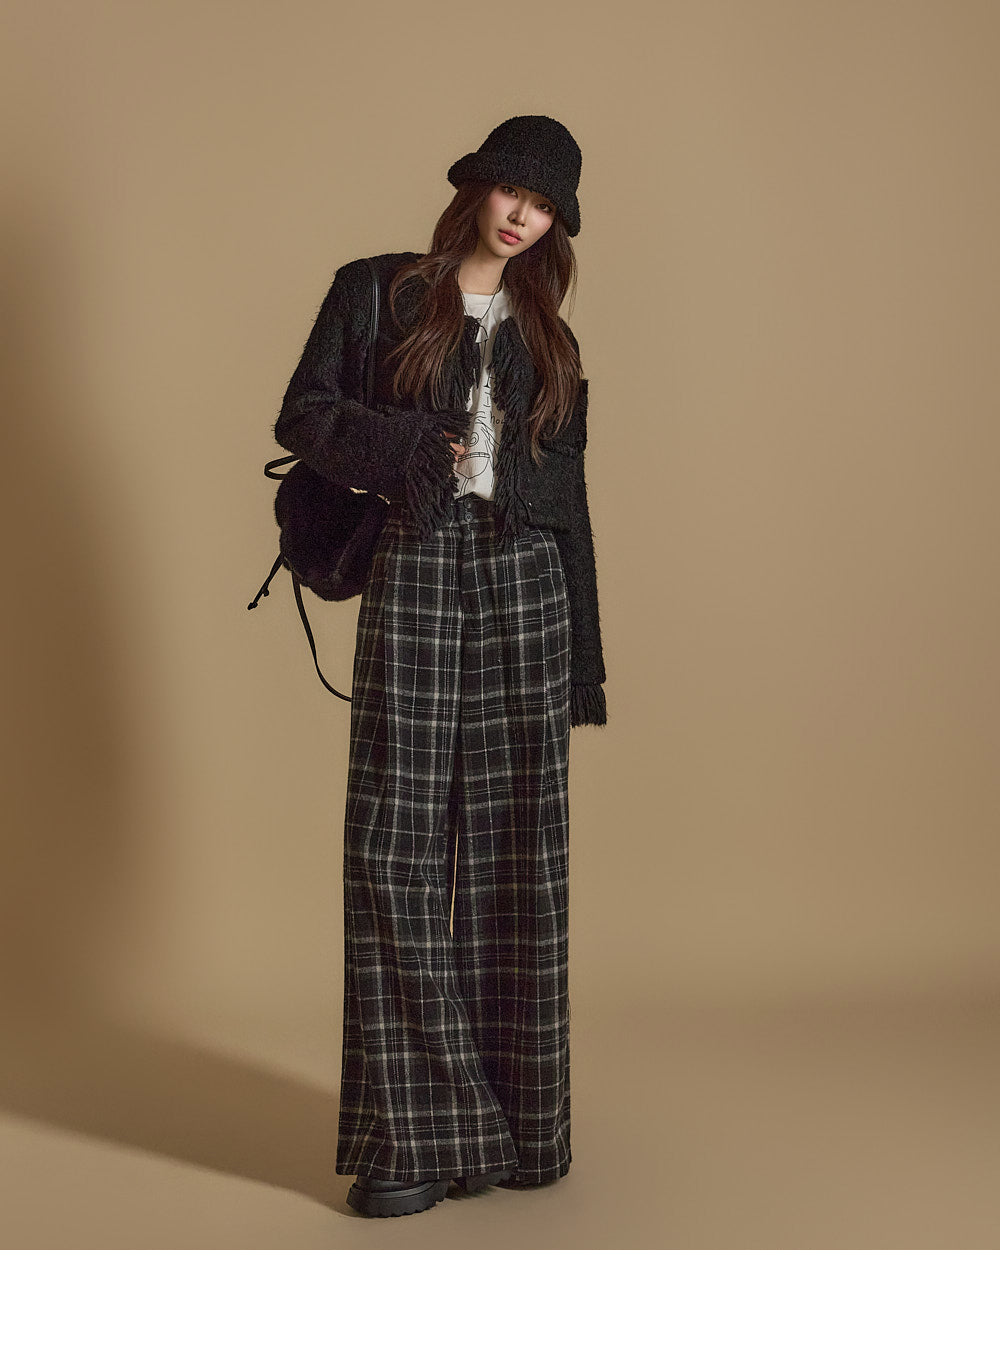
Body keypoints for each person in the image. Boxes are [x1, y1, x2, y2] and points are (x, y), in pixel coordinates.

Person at [272, 114, 607, 1218]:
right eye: (514, 192)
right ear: (477, 188)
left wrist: (584, 660)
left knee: (520, 854)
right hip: (416, 559)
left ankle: (521, 1127)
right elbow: (305, 414)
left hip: (528, 582)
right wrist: (405, 448)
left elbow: (568, 504)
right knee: (395, 844)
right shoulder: (378, 292)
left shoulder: (551, 340)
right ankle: (416, 1137)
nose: (523, 218)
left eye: (545, 207)